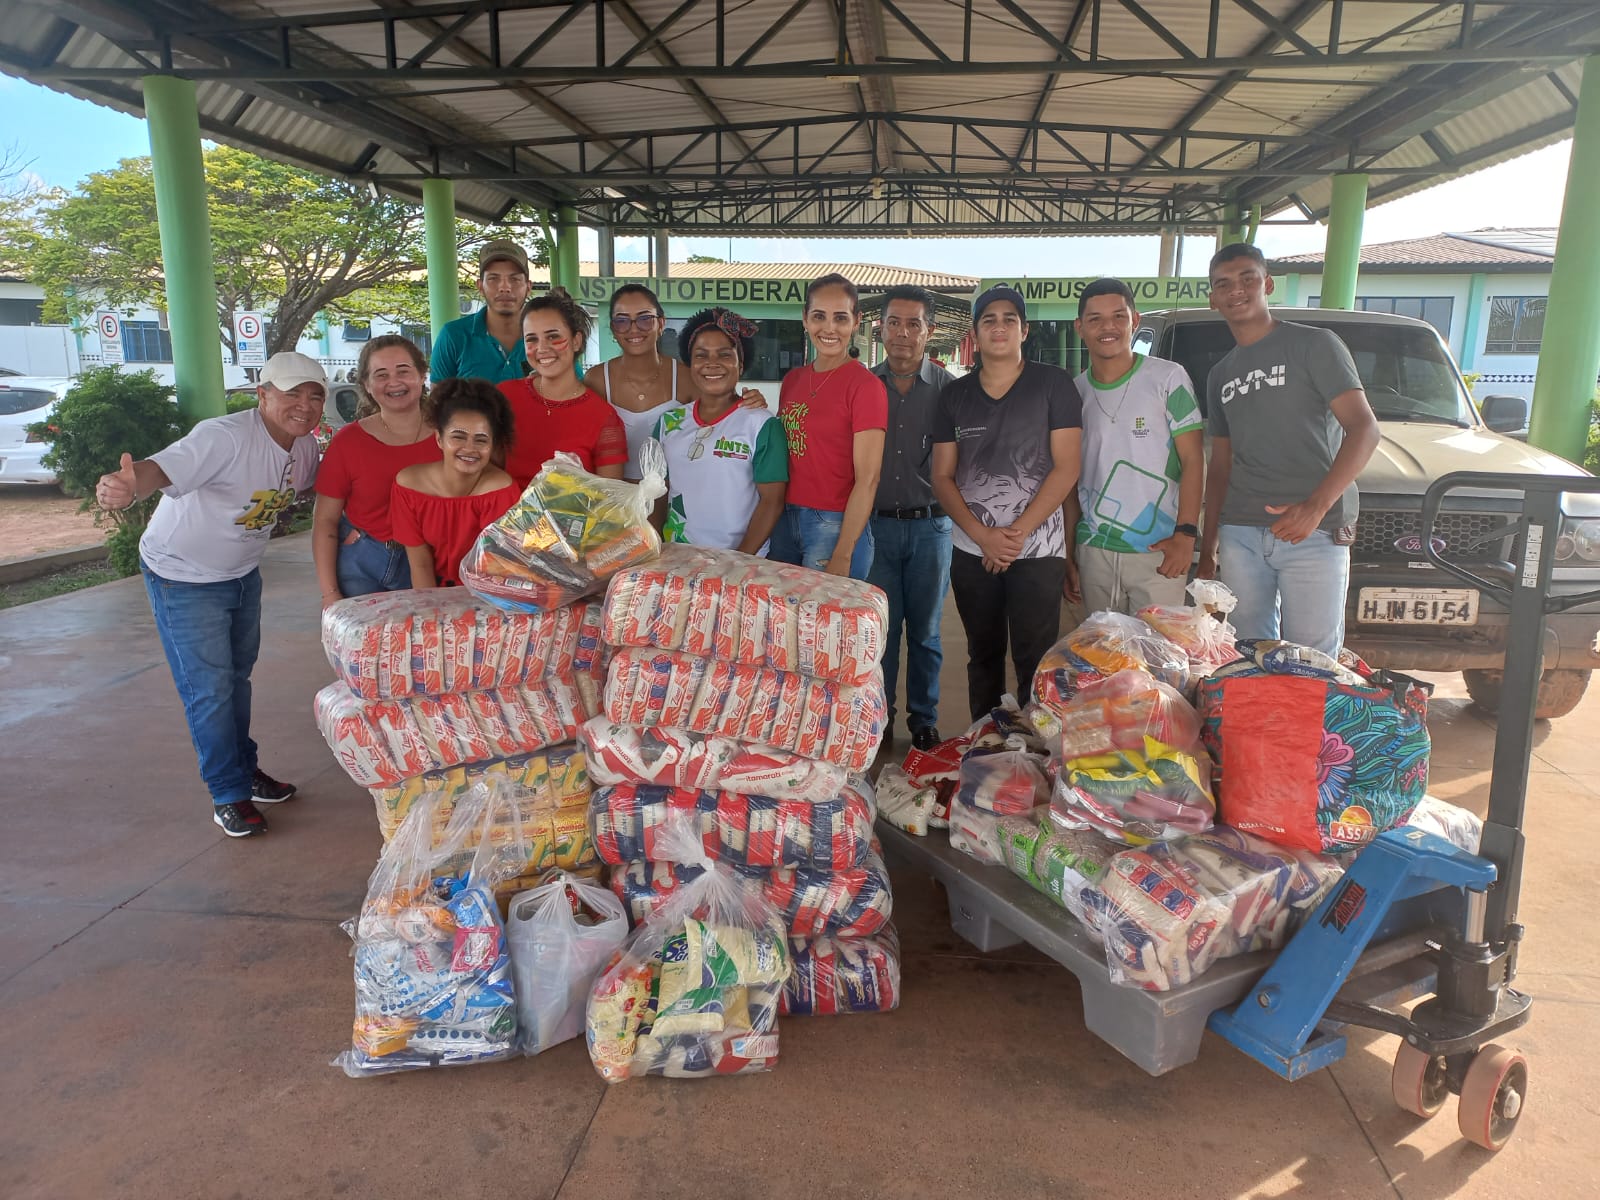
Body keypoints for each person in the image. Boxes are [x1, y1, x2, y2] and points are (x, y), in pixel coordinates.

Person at [94, 351, 326, 838]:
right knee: (210, 690)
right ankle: (227, 793)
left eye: (314, 395)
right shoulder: (224, 437)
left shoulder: (304, 448)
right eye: (291, 393)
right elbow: (161, 468)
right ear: (262, 396)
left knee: (236, 679)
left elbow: (315, 490)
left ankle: (244, 771)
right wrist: (130, 482)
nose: (304, 405)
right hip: (183, 576)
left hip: (242, 574)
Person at [1198, 243, 1380, 656]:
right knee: (1248, 652)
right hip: (1240, 533)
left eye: (1247, 278)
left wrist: (1314, 508)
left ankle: (1308, 724)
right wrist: (1208, 549)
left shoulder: (1315, 345)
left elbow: (1364, 428)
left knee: (1313, 660)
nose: (1236, 290)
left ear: (1268, 284)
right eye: (1223, 284)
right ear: (1213, 298)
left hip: (1313, 532)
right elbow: (1221, 463)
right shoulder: (1220, 373)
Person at [931, 285, 1082, 720]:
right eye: (989, 320)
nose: (999, 327)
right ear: (975, 334)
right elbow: (942, 476)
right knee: (983, 656)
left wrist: (1014, 536)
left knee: (1036, 660)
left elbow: (1066, 466)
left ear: (1024, 329)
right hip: (971, 550)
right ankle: (989, 747)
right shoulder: (954, 397)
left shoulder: (1054, 385)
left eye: (1009, 319)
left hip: (1038, 550)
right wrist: (984, 537)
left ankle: (1035, 756)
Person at [1063, 278, 1204, 614]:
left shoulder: (1168, 378)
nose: (1107, 327)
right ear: (1080, 327)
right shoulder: (1073, 393)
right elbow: (1068, 478)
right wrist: (1069, 553)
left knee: (1161, 657)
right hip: (1095, 549)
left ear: (1135, 321)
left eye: (1118, 317)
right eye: (1095, 319)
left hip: (1160, 551)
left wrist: (1186, 534)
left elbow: (1193, 460)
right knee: (1105, 657)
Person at [867, 284, 955, 751]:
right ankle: (879, 722)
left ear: (930, 331)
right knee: (881, 633)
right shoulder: (862, 386)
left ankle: (924, 721)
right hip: (875, 528)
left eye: (914, 324)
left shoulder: (950, 391)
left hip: (931, 529)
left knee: (925, 633)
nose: (903, 333)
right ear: (879, 327)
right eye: (894, 322)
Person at [770, 272, 886, 579]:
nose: (829, 328)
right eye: (819, 316)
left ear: (856, 321)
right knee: (784, 624)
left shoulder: (865, 386)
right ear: (805, 319)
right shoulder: (793, 381)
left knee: (822, 625)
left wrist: (843, 552)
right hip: (785, 518)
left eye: (840, 318)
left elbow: (869, 479)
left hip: (834, 525)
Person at [312, 335, 440, 604]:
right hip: (362, 562)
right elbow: (325, 520)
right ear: (367, 385)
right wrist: (329, 593)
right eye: (381, 375)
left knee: (421, 644)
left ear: (421, 375)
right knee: (365, 646)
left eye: (403, 371)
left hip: (430, 562)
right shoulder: (348, 442)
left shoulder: (450, 435)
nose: (393, 382)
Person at [652, 307, 787, 554]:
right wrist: (654, 548)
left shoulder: (761, 425)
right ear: (689, 364)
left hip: (742, 563)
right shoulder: (668, 423)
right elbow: (658, 493)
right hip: (677, 556)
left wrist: (739, 560)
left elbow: (772, 502)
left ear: (741, 363)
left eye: (725, 355)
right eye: (701, 355)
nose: (712, 364)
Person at [391, 378, 521, 588]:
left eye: (481, 440)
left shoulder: (500, 490)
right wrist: (431, 615)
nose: (469, 448)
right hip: (431, 589)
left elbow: (494, 569)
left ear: (493, 445)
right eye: (458, 437)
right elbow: (420, 565)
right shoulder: (409, 486)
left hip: (486, 591)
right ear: (439, 439)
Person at [500, 287, 628, 491]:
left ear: (576, 341)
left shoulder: (604, 419)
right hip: (498, 521)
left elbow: (609, 505)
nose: (542, 348)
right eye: (531, 339)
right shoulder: (502, 399)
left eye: (553, 337)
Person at [584, 284, 695, 481]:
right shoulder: (597, 380)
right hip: (616, 503)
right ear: (613, 328)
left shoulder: (687, 378)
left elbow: (720, 422)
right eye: (622, 321)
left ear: (661, 324)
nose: (634, 329)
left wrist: (750, 402)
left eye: (645, 319)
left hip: (672, 502)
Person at [428, 239, 531, 384]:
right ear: (480, 286)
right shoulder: (453, 335)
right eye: (493, 278)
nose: (505, 287)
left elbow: (572, 392)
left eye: (514, 279)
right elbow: (438, 401)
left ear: (528, 286)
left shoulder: (547, 337)